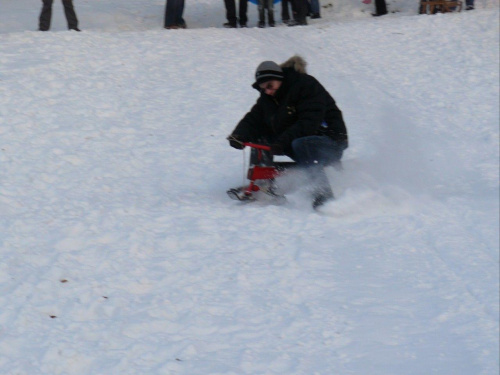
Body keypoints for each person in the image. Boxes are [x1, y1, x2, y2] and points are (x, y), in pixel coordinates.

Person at [227, 55, 348, 209]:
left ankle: (323, 195)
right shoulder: (268, 98)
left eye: (269, 86)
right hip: (295, 141)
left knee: (302, 143)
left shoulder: (305, 85)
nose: (267, 91)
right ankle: (262, 184)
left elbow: (309, 122)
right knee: (262, 137)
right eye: (263, 88)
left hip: (329, 140)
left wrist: (282, 141)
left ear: (279, 78)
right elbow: (254, 119)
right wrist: (239, 135)